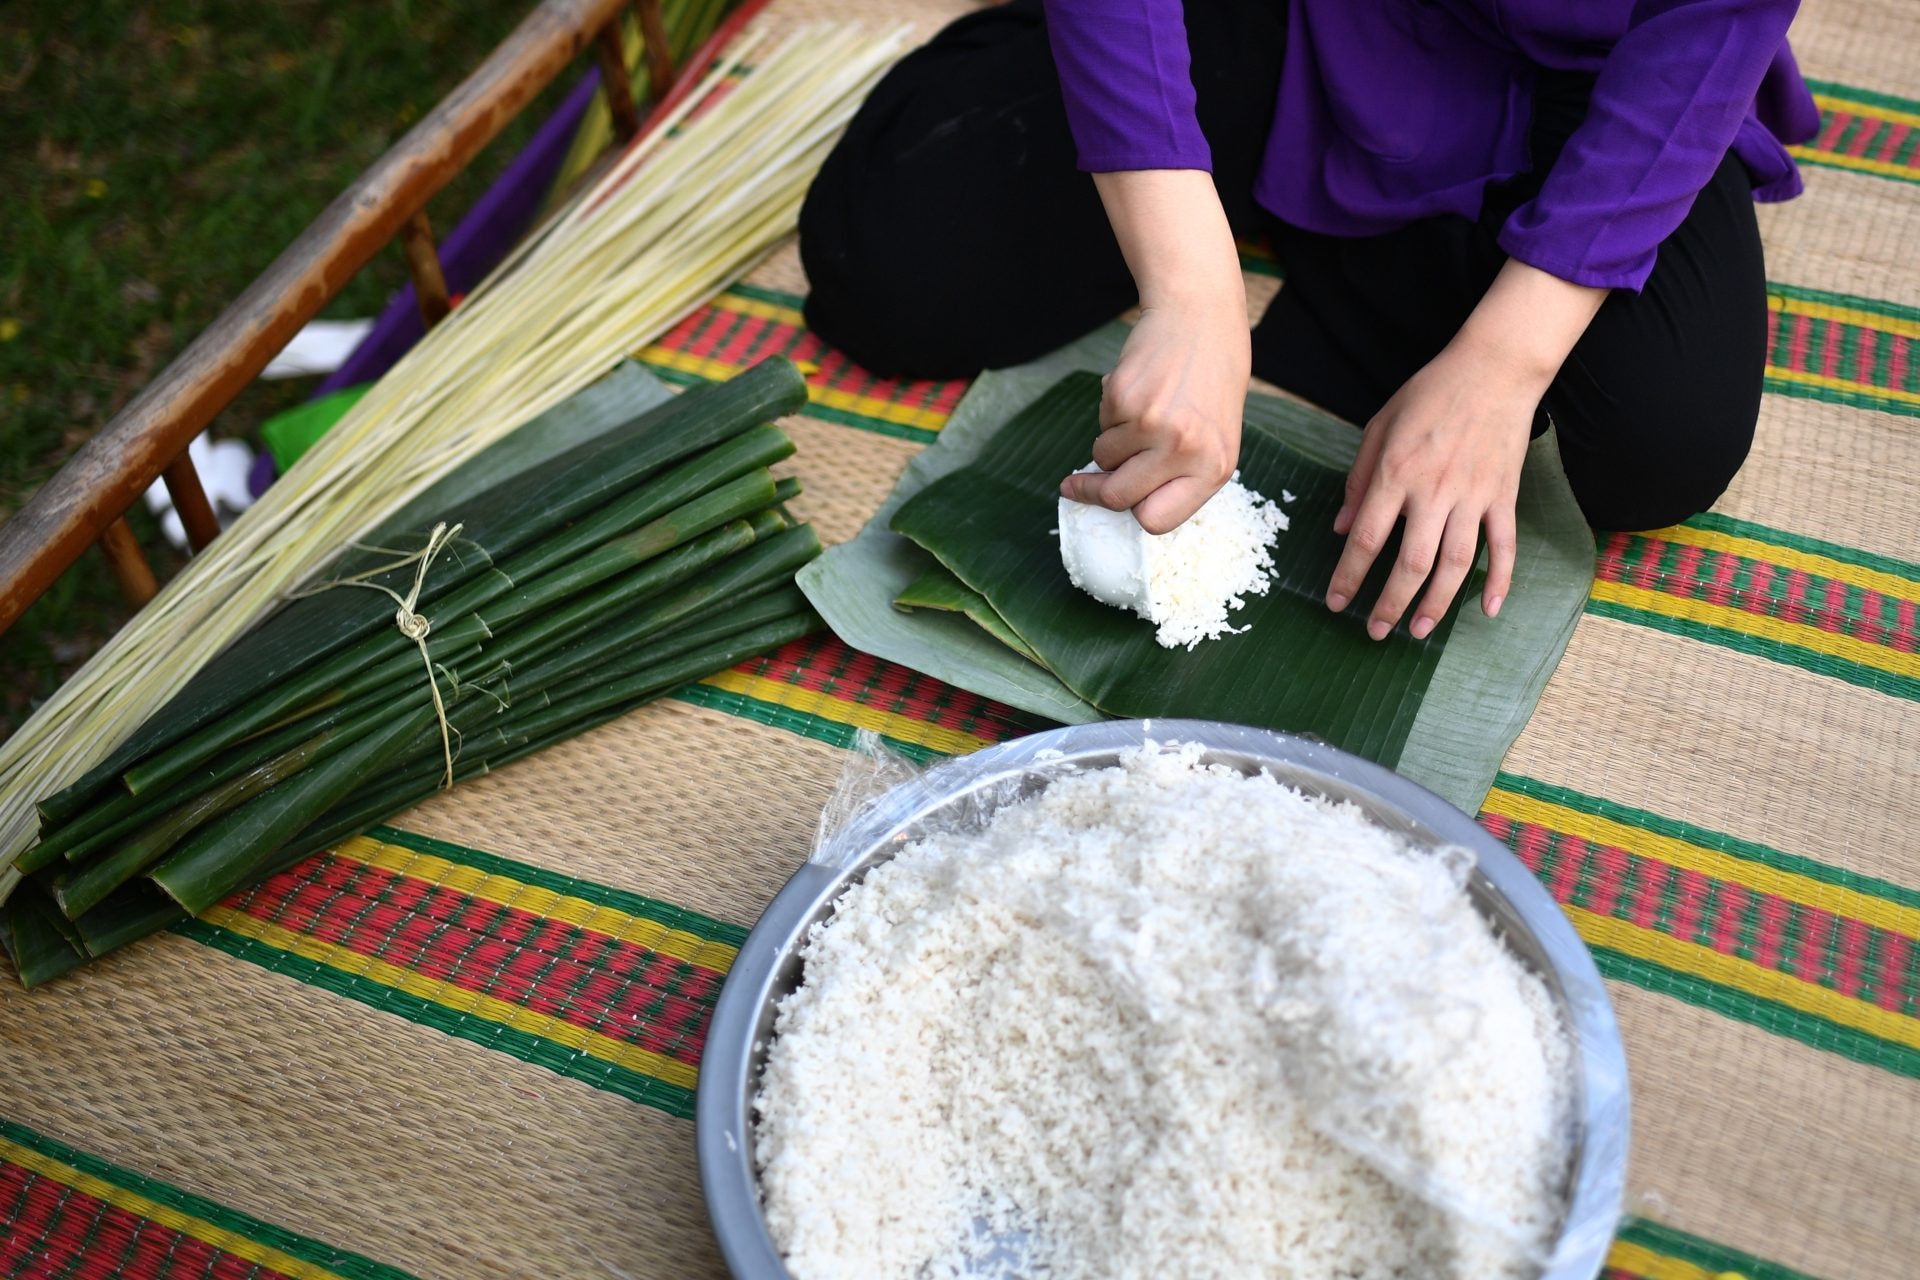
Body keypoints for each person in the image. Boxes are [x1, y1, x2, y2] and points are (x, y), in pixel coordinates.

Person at [797, 0, 1819, 640]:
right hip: (1290, 15)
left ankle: (1380, 224)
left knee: (1657, 441)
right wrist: (1191, 288)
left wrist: (1502, 363)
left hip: (1603, 62)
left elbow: (1711, 28)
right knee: (890, 273)